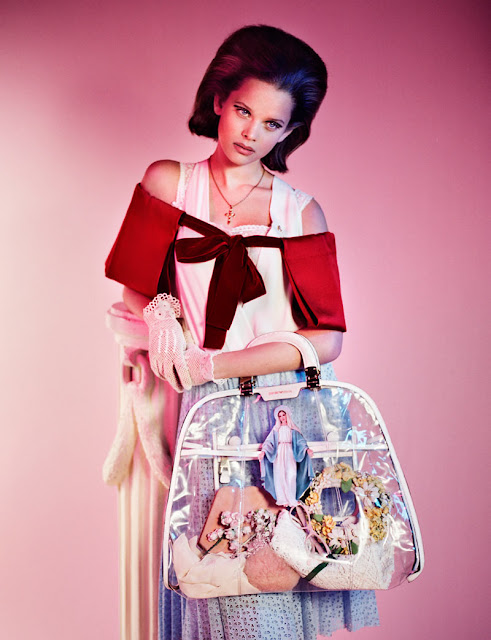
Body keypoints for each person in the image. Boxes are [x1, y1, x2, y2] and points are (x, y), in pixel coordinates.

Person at [106, 23, 379, 640]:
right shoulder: (169, 182)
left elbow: (326, 340)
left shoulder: (300, 211)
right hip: (202, 410)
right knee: (209, 575)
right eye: (243, 110)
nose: (252, 132)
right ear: (218, 101)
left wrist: (217, 366)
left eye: (273, 123)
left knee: (274, 582)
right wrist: (162, 314)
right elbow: (133, 289)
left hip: (284, 413)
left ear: (290, 132)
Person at [259, 406, 314, 507]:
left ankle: (292, 498)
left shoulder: (293, 429)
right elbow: (268, 442)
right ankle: (282, 499)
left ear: (287, 415)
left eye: (283, 415)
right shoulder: (276, 429)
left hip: (290, 452)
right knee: (279, 474)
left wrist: (307, 449)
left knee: (291, 474)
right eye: (279, 416)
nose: (282, 417)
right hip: (279, 453)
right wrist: (263, 451)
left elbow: (301, 441)